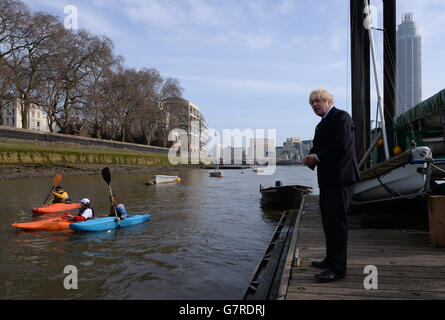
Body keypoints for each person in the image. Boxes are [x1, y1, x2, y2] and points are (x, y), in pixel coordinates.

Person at [303, 88, 360, 282]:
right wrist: (311, 158)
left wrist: (317, 156)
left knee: (337, 223)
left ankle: (338, 268)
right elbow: (318, 148)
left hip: (341, 178)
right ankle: (331, 258)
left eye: (318, 101)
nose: (315, 105)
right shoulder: (321, 125)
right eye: (312, 103)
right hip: (328, 180)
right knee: (328, 222)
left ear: (328, 101)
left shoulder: (341, 118)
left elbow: (341, 145)